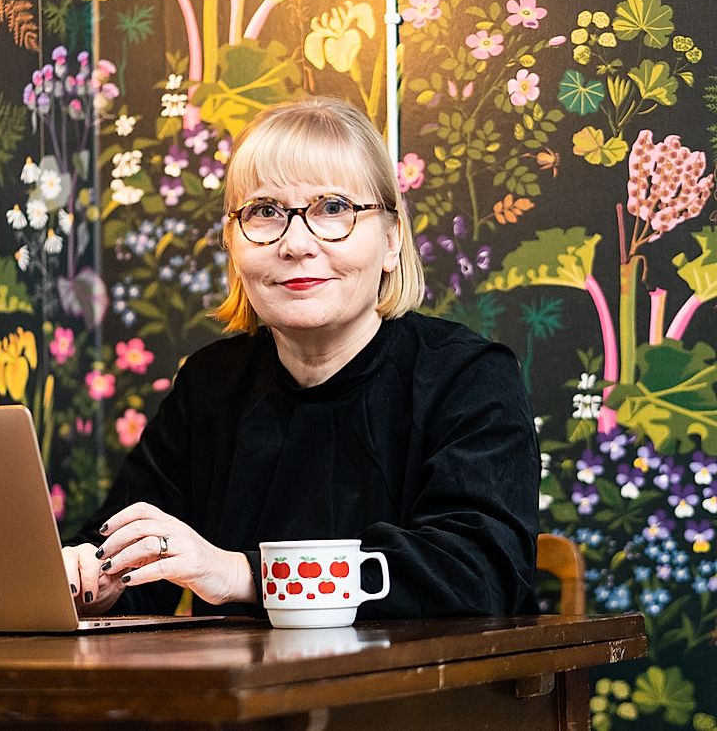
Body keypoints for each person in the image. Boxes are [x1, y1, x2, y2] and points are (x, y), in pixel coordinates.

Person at [62, 95, 540, 618]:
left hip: (421, 695)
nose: (296, 243)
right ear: (232, 244)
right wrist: (96, 575)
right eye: (265, 212)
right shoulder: (209, 384)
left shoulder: (469, 378)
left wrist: (241, 575)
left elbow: (478, 575)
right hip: (243, 697)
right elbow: (133, 560)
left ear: (392, 239)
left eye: (333, 208)